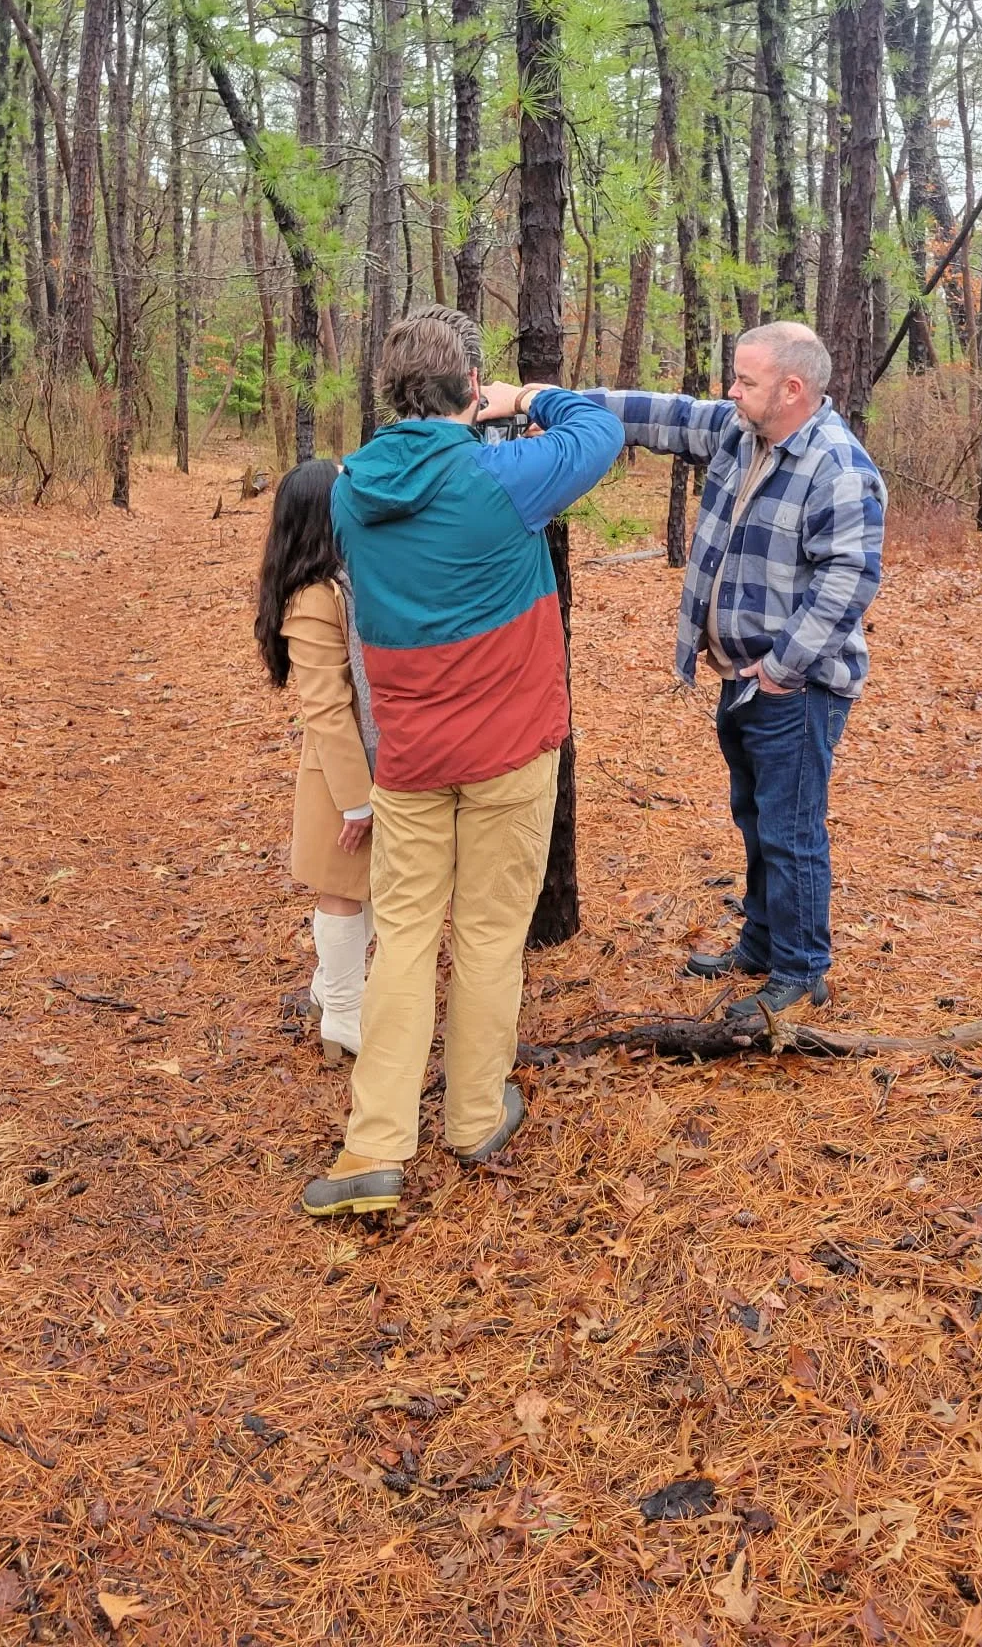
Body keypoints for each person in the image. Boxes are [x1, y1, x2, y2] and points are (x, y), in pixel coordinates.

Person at [300, 307, 624, 1218]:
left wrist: (475, 414)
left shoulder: (349, 489)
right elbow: (600, 428)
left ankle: (375, 1145)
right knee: (485, 936)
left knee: (403, 937)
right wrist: (527, 397)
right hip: (508, 751)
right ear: (468, 390)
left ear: (390, 393)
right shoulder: (498, 479)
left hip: (408, 755)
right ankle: (475, 1115)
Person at [570, 321, 885, 1023]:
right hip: (741, 678)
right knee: (755, 818)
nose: (730, 391)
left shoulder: (838, 465)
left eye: (745, 380)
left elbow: (850, 580)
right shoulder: (744, 434)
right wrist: (548, 399)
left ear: (793, 388)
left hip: (795, 689)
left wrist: (783, 668)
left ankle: (802, 973)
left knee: (791, 828)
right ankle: (763, 944)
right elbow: (661, 414)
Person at [255, 458, 377, 1065]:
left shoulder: (345, 580)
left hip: (370, 767)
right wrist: (357, 799)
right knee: (343, 892)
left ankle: (331, 993)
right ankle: (343, 1018)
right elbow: (326, 711)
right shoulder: (311, 599)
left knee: (369, 892)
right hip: (338, 777)